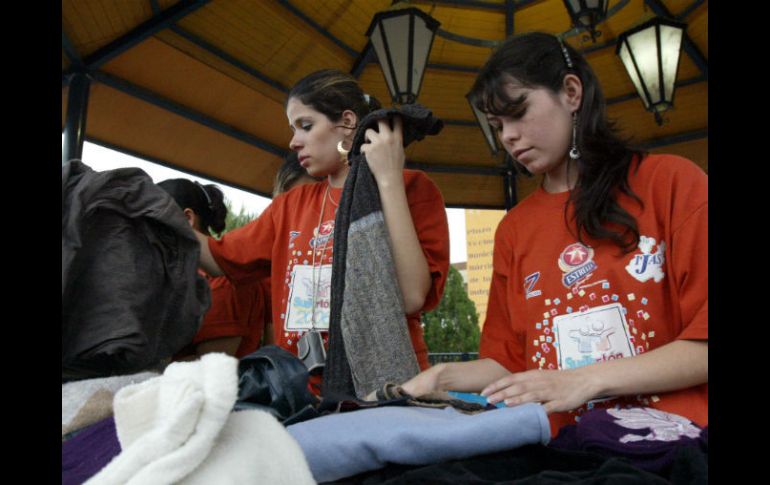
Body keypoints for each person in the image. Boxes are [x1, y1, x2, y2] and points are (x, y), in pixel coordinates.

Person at [402, 32, 707, 436]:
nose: (507, 136)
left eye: (518, 111)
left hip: (673, 438)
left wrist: (584, 379)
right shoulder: (514, 229)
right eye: (497, 125)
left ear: (571, 92)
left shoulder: (670, 183)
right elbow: (508, 362)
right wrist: (440, 377)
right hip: (556, 444)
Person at [195, 69, 450, 393]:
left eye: (305, 125)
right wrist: (161, 214)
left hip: (386, 387)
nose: (293, 141)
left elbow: (412, 296)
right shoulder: (291, 204)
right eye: (293, 129)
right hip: (299, 390)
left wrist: (387, 180)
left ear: (346, 122)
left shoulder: (412, 187)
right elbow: (219, 258)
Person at [158, 178, 268, 359]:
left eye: (151, 224)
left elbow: (209, 368)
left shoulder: (223, 283)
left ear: (187, 219)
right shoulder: (190, 277)